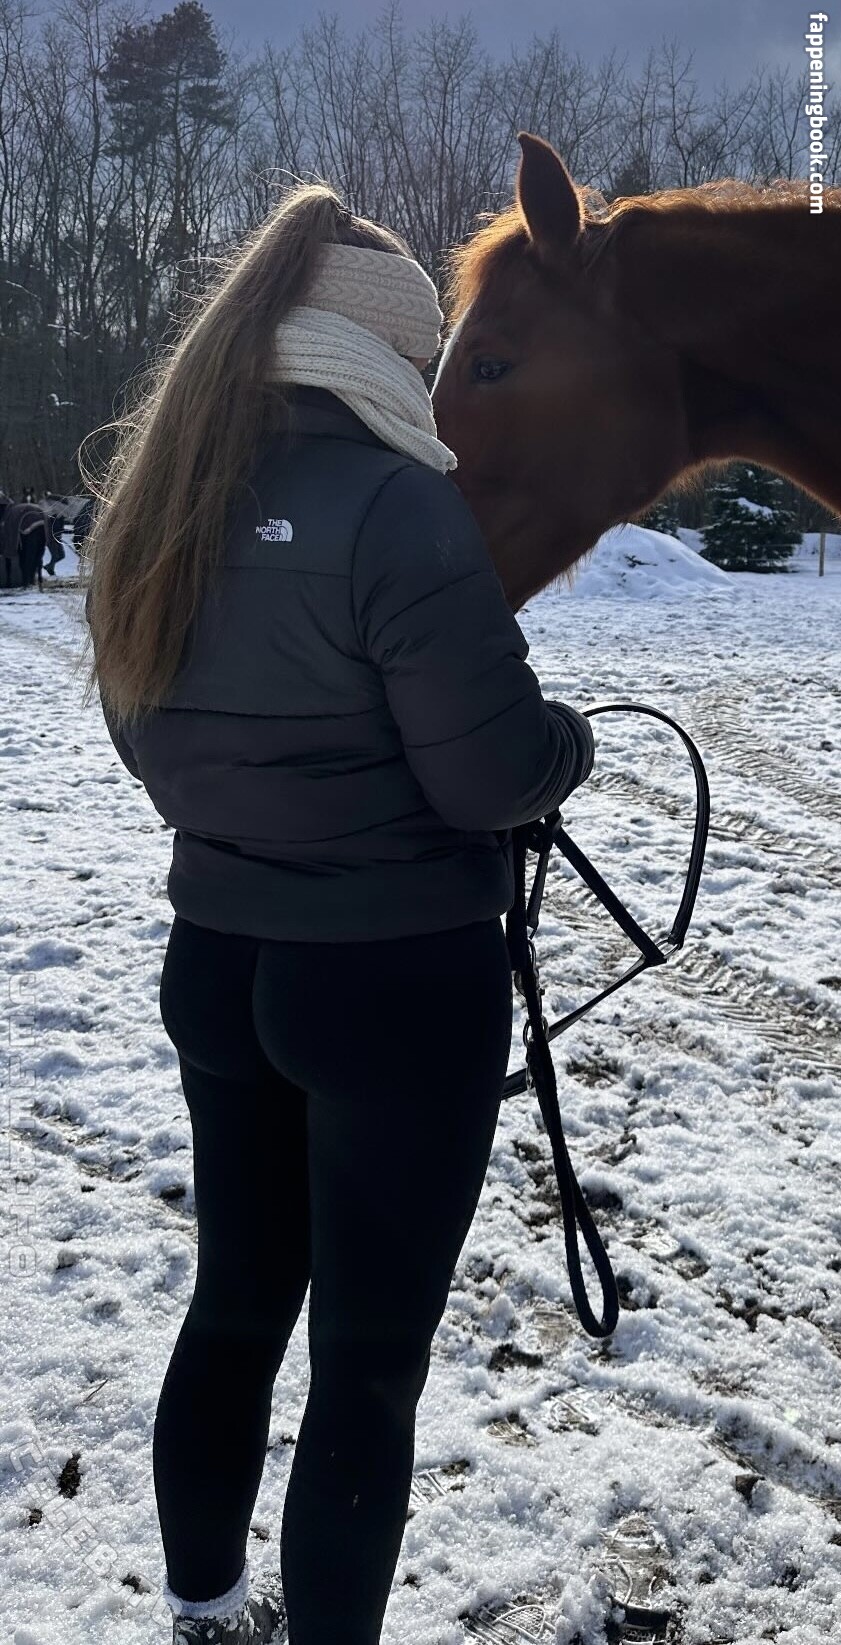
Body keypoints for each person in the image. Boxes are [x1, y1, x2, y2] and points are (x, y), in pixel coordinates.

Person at [80, 184, 596, 1645]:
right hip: (393, 987)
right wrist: (570, 746)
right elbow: (489, 771)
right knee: (366, 1364)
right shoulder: (400, 506)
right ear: (379, 354)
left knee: (234, 1305)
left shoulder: (165, 496)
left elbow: (149, 741)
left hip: (218, 959)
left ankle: (205, 1609)